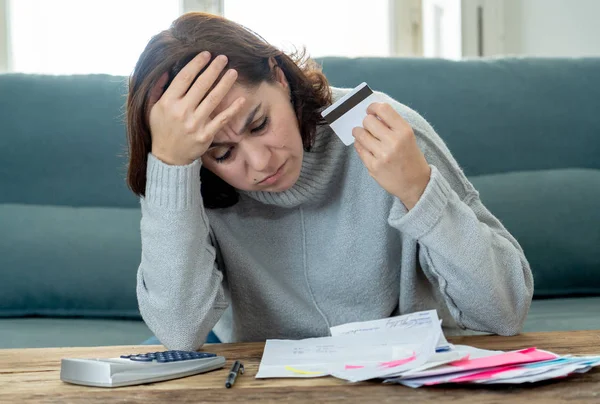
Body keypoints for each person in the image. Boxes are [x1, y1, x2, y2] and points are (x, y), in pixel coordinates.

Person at [126, 12, 534, 351]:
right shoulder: (187, 176)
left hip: (396, 370)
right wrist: (170, 168)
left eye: (261, 123)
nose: (260, 162)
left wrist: (419, 191)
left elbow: (504, 311)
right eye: (222, 153)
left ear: (280, 78)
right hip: (259, 378)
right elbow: (180, 334)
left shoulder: (379, 129)